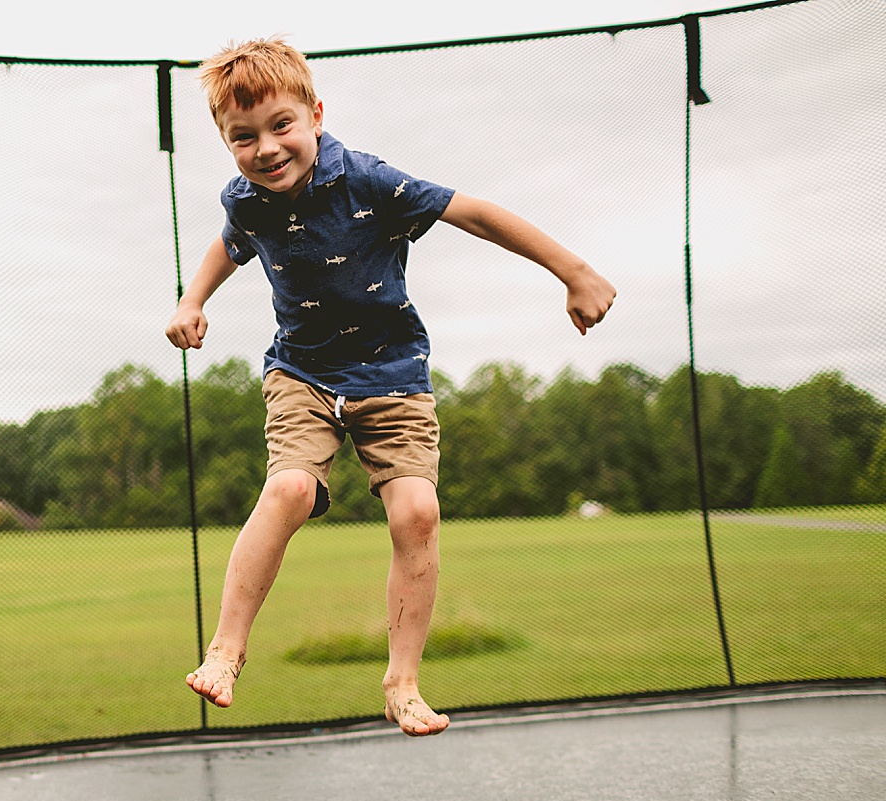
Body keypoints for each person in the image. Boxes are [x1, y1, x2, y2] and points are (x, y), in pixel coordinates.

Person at [165, 37, 616, 736]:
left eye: (282, 125)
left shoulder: (369, 181)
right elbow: (230, 244)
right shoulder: (247, 199)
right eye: (242, 138)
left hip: (392, 376)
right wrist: (193, 301)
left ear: (315, 114)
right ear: (228, 145)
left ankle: (402, 682)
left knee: (417, 515)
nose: (266, 149)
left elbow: (476, 213)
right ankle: (226, 648)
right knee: (288, 489)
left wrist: (574, 271)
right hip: (303, 373)